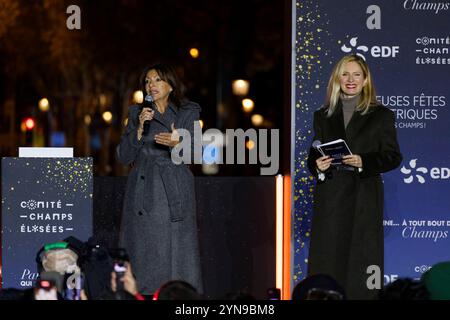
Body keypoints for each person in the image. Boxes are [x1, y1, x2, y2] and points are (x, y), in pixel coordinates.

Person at [306, 54, 402, 299]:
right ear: (337, 79)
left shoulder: (381, 115)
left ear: (365, 79)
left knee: (361, 261)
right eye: (345, 74)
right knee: (328, 259)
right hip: (331, 198)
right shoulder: (324, 114)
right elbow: (313, 154)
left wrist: (364, 161)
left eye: (356, 74)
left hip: (363, 196)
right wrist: (318, 164)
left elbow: (392, 156)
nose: (351, 80)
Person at [117, 63, 203, 295]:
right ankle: (140, 291)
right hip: (143, 187)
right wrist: (138, 130)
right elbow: (124, 156)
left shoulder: (188, 111)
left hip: (174, 186)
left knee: (175, 254)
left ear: (171, 85)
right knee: (144, 251)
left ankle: (177, 295)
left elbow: (197, 154)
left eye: (157, 80)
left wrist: (179, 143)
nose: (151, 85)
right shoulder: (137, 113)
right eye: (147, 81)